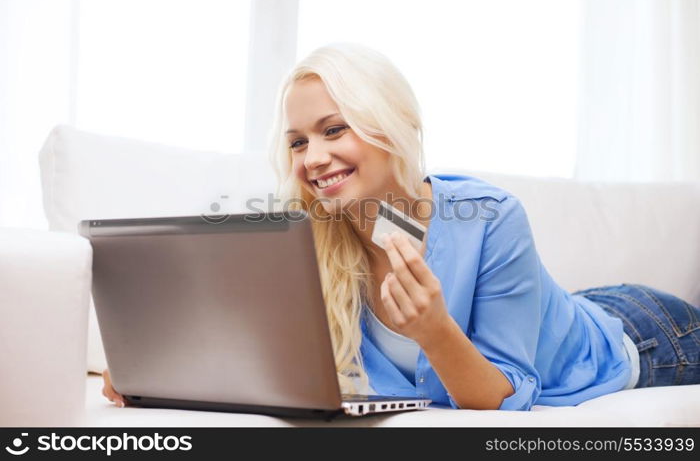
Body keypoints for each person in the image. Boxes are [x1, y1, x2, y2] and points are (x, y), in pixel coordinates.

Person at [102, 42, 700, 410]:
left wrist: (435, 331)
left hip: (643, 335)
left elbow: (500, 395)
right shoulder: (307, 239)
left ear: (390, 124)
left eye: (335, 130)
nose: (312, 158)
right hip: (561, 310)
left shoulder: (489, 218)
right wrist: (153, 374)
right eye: (298, 141)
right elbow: (239, 344)